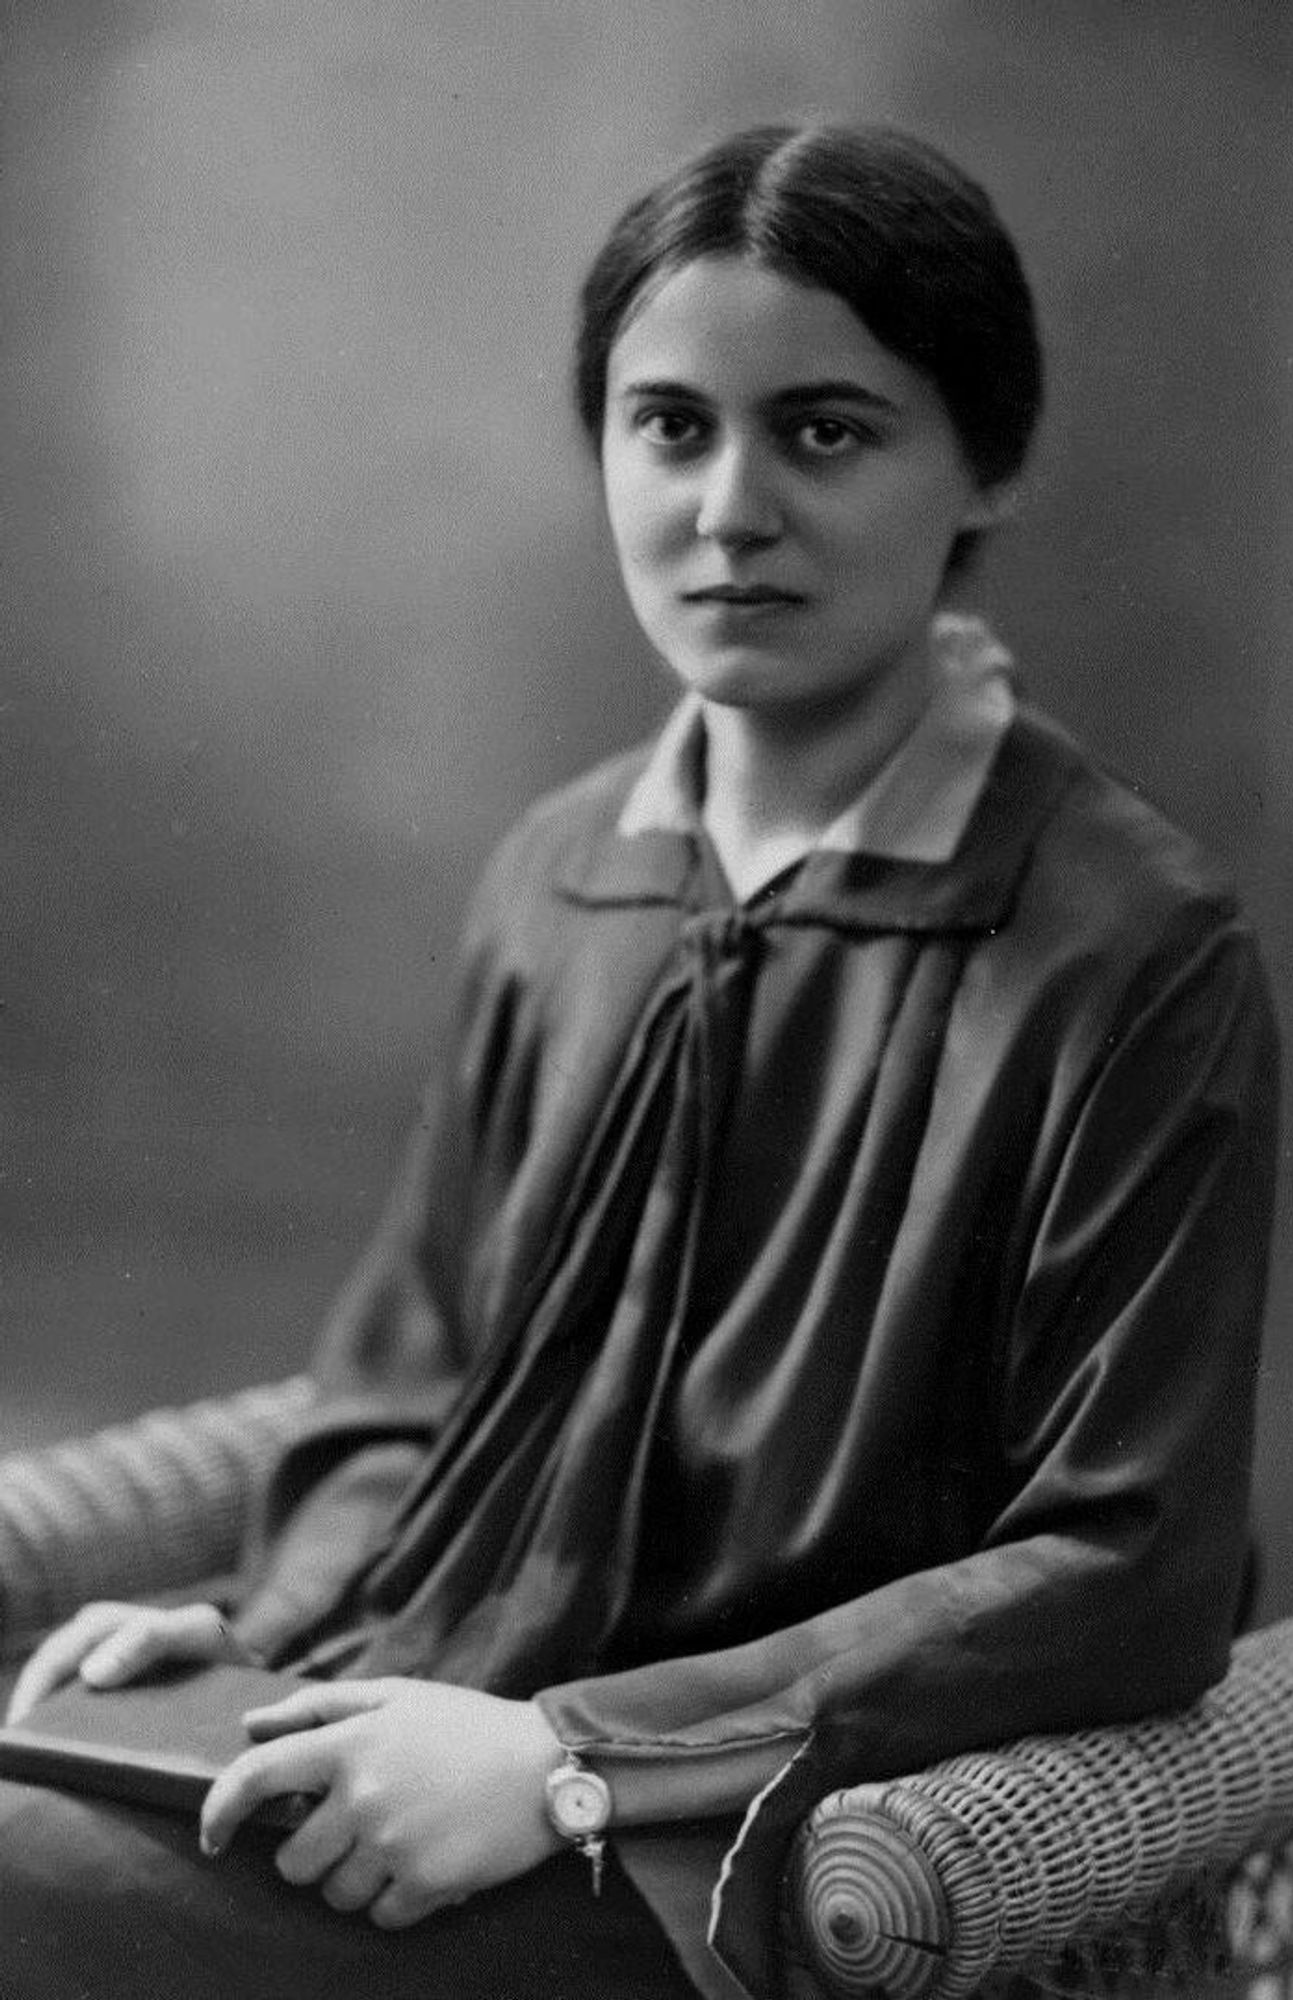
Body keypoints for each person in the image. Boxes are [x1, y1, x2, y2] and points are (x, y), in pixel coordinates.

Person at [0, 121, 1279, 2000]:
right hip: (433, 1731)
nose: (728, 509)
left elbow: (1129, 1565)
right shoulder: (557, 880)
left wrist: (575, 1761)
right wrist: (250, 1642)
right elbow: (403, 1390)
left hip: (754, 1830)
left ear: (982, 463)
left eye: (823, 431)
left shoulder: (1127, 953)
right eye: (668, 425)